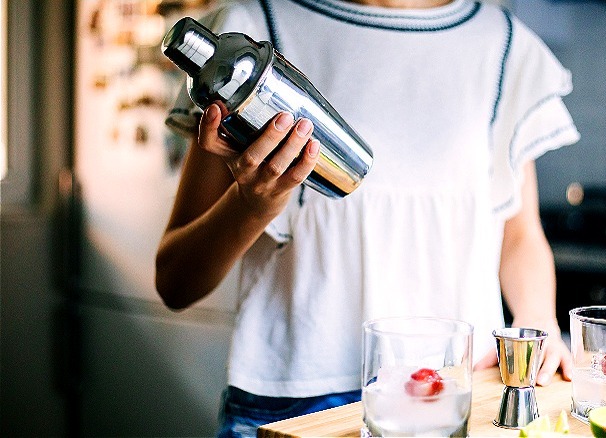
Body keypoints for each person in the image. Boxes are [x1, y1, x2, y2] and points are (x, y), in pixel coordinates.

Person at [156, 0, 579, 436]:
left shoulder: (503, 44)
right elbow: (175, 283)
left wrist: (538, 320)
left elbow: (518, 235)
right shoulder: (245, 41)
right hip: (292, 408)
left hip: (456, 396)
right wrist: (252, 204)